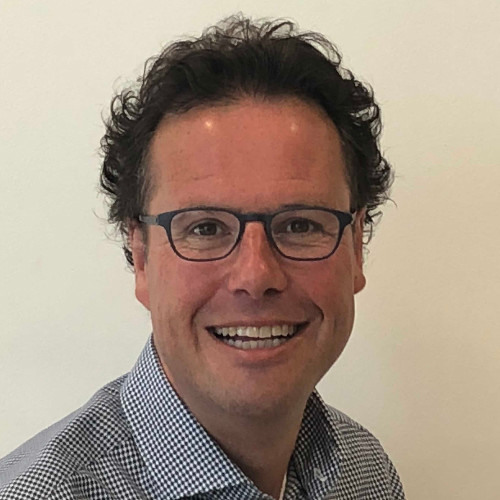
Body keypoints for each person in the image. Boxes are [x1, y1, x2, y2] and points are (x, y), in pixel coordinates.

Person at [0, 15, 405, 499]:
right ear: (141, 257)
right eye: (206, 228)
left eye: (300, 225)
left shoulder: (365, 472)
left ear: (355, 248)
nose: (256, 275)